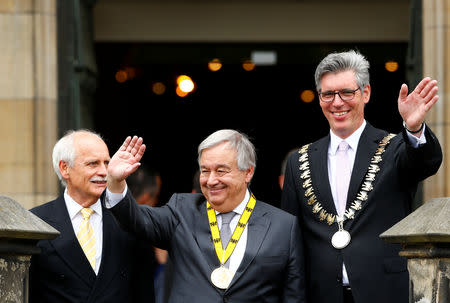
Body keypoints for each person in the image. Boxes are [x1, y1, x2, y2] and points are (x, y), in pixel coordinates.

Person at [280, 50, 442, 303]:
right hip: (319, 294)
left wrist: (413, 128)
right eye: (328, 94)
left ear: (365, 93)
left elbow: (426, 162)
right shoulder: (299, 161)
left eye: (347, 92)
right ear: (319, 97)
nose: (337, 102)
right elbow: (290, 240)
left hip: (384, 292)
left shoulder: (394, 149)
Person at [105, 129, 306, 303]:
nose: (211, 180)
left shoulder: (283, 226)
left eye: (221, 170)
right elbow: (134, 219)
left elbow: (294, 296)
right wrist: (115, 182)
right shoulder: (181, 211)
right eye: (205, 171)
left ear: (248, 172)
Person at [29, 130, 155, 303]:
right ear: (65, 168)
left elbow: (144, 291)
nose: (104, 171)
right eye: (93, 164)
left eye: (106, 163)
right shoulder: (36, 222)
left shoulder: (128, 220)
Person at [127, 166, 170, 303]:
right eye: (156, 197)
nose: (156, 203)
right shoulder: (144, 236)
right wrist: (164, 264)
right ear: (146, 199)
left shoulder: (103, 221)